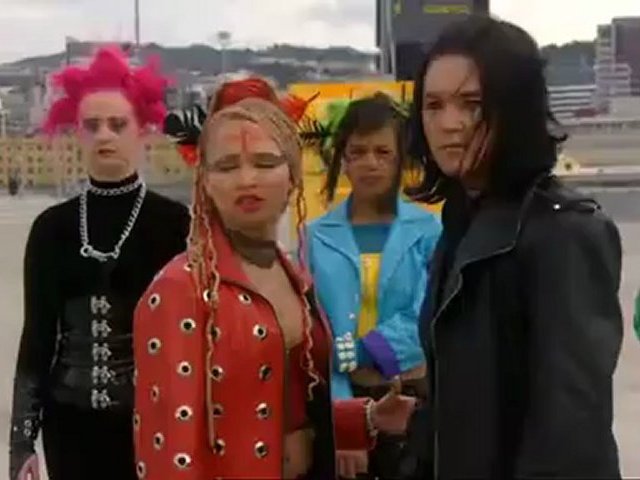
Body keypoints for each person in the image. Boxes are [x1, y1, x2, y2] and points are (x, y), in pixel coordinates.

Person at [133, 82, 417, 480]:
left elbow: (289, 400)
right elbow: (170, 455)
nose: (247, 179)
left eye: (265, 163)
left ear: (292, 177)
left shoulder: (294, 275)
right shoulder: (181, 289)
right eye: (227, 166)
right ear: (206, 182)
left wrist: (364, 418)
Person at [403, 15, 623, 479]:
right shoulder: (460, 221)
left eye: (472, 104)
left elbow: (570, 432)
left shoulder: (564, 231)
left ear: (515, 110)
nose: (448, 124)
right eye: (433, 105)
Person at [9, 46, 191, 480]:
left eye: (117, 124)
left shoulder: (175, 224)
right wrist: (21, 443)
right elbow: (37, 337)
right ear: (78, 133)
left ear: (142, 130)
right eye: (92, 126)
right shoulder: (51, 228)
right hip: (69, 427)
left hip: (155, 424)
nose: (105, 136)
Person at [306, 93, 441, 479]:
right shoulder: (314, 238)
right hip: (341, 393)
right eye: (358, 152)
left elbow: (427, 313)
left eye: (383, 152)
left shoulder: (428, 231)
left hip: (413, 393)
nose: (370, 163)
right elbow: (316, 327)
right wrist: (346, 418)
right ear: (343, 160)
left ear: (401, 159)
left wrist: (360, 351)